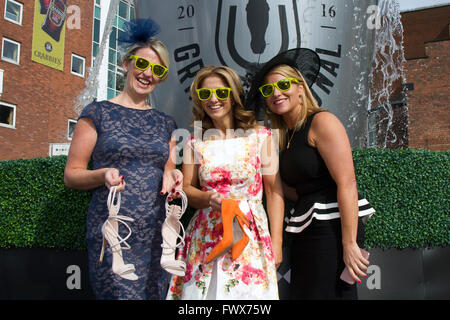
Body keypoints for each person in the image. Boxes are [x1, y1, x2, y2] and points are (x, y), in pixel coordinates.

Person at [64, 18, 182, 300]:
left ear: (162, 77)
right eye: (142, 64)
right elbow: (72, 174)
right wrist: (101, 174)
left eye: (157, 69)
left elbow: (170, 166)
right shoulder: (97, 113)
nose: (147, 74)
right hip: (115, 234)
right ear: (126, 64)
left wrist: (172, 173)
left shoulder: (167, 123)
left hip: (158, 236)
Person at [247, 48, 375, 299]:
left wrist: (349, 244)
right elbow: (295, 190)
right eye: (267, 90)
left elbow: (347, 183)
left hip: (332, 229)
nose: (275, 93)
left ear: (300, 88)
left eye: (283, 84)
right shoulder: (286, 135)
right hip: (307, 228)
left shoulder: (322, 122)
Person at [167, 66, 284, 300]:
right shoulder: (193, 141)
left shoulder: (261, 136)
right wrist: (207, 198)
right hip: (206, 234)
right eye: (204, 94)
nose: (213, 99)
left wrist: (277, 243)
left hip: (251, 235)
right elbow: (187, 189)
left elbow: (273, 191)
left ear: (233, 95)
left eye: (221, 93)